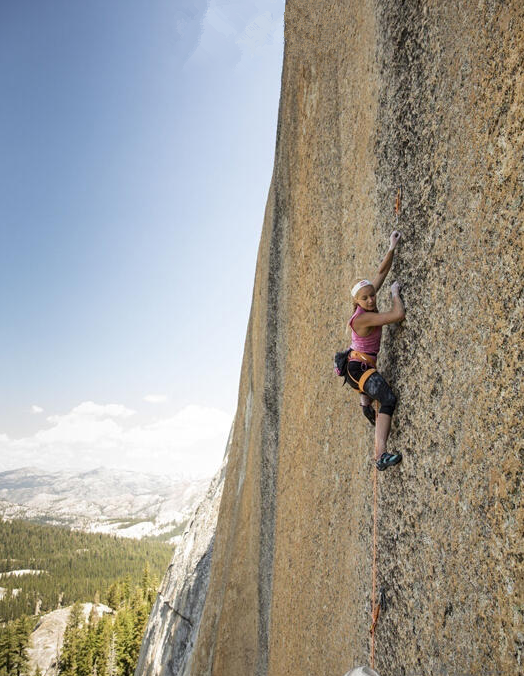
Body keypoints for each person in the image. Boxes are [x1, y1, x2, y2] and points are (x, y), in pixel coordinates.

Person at [346, 230, 405, 471]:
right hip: (358, 369)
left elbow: (381, 273)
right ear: (357, 302)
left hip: (362, 366)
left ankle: (365, 402)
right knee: (388, 399)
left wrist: (391, 247)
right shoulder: (362, 319)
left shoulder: (367, 300)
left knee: (375, 390)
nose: (371, 300)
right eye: (366, 298)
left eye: (372, 296)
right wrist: (394, 294)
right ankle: (380, 455)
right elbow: (398, 315)